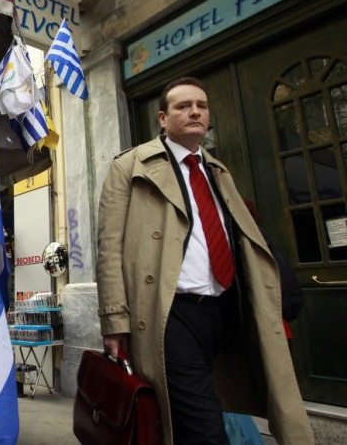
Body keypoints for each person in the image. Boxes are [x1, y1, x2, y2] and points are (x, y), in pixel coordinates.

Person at [95, 77, 314, 444]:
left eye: (202, 105)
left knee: (198, 415)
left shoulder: (218, 172)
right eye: (183, 106)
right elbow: (109, 247)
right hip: (170, 314)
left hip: (225, 312)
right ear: (162, 119)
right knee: (204, 429)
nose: (195, 111)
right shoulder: (130, 167)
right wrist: (115, 319)